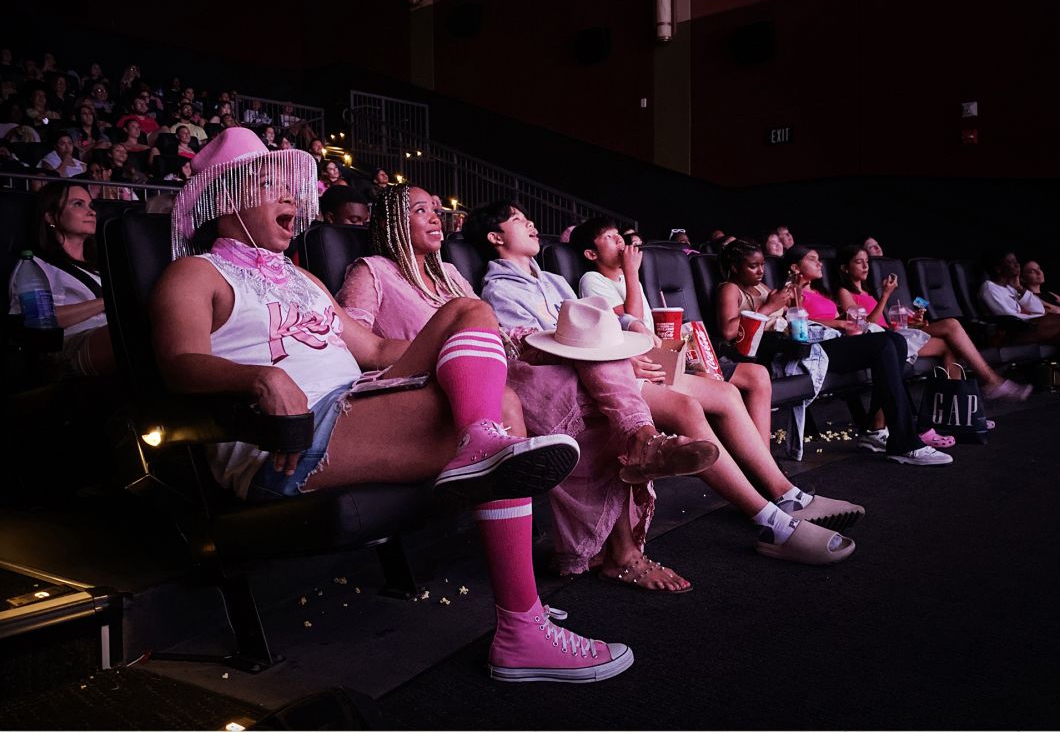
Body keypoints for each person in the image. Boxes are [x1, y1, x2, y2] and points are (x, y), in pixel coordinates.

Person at [150, 128, 631, 684]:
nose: (289, 197)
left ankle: (485, 456)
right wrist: (261, 376)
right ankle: (521, 626)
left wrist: (467, 355)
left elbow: (376, 350)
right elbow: (178, 364)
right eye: (268, 186)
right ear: (227, 198)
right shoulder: (195, 273)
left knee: (469, 315)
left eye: (288, 186)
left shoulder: (303, 278)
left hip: (358, 400)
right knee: (496, 405)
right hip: (284, 443)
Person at [339, 185, 720, 586]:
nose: (436, 217)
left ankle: (639, 438)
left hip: (497, 366)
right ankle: (634, 489)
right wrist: (445, 346)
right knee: (579, 391)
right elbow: (360, 346)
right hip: (441, 382)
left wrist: (536, 341)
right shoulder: (370, 270)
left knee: (592, 351)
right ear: (392, 222)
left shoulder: (448, 273)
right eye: (420, 211)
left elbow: (492, 330)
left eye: (436, 209)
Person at [467, 201, 861, 567]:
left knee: (724, 392)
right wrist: (622, 357)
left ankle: (785, 495)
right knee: (685, 408)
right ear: (495, 238)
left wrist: (632, 328)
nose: (531, 223)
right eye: (518, 220)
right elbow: (539, 352)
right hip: (584, 382)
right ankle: (771, 522)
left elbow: (600, 321)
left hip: (616, 366)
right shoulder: (499, 289)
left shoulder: (552, 280)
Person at [573, 218, 775, 447]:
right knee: (718, 386)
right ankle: (743, 458)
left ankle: (762, 456)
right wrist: (632, 273)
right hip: (644, 360)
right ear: (591, 254)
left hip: (665, 350)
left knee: (757, 375)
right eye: (609, 237)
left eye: (617, 233)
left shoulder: (629, 280)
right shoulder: (592, 280)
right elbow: (632, 321)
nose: (619, 238)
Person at [782, 245, 955, 465]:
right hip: (817, 348)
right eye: (813, 259)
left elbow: (847, 320)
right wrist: (838, 321)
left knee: (897, 341)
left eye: (819, 259)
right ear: (795, 267)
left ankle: (875, 431)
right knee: (884, 345)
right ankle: (906, 442)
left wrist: (848, 323)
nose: (820, 263)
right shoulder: (790, 292)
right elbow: (794, 320)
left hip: (841, 340)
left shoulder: (820, 292)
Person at [835, 245, 1031, 404]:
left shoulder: (868, 293)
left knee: (949, 346)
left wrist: (914, 320)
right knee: (951, 325)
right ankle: (991, 381)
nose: (865, 266)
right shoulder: (844, 291)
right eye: (859, 262)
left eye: (867, 262)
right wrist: (886, 295)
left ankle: (957, 408)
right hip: (880, 340)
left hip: (894, 334)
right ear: (845, 268)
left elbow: (885, 321)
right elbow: (864, 325)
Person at [7, 182, 114, 376]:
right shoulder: (36, 266)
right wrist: (107, 301)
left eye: (91, 206)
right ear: (50, 217)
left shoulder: (99, 265)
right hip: (67, 347)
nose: (91, 212)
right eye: (78, 204)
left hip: (106, 334)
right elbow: (34, 321)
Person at [979, 250, 1060, 405]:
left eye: (1016, 261)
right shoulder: (989, 288)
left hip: (1026, 328)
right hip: (1009, 334)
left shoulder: (1011, 288)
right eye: (1011, 262)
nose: (1017, 265)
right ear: (998, 268)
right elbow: (1007, 317)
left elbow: (1038, 309)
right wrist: (1039, 320)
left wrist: (1020, 288)